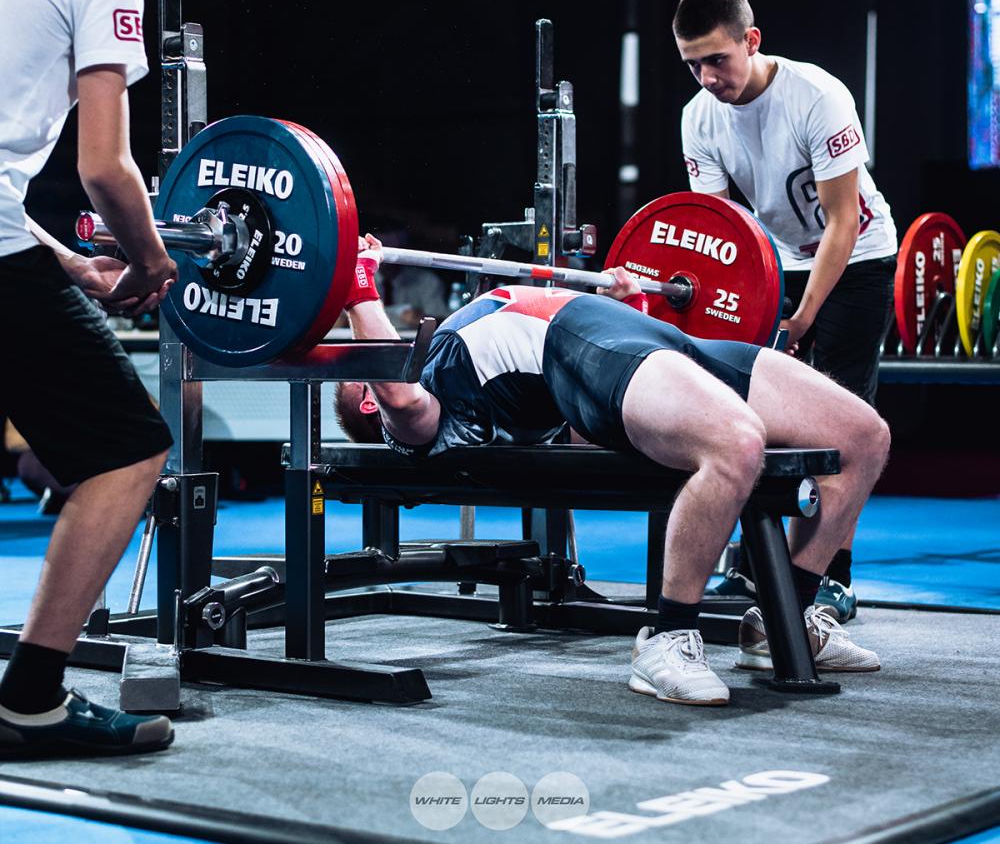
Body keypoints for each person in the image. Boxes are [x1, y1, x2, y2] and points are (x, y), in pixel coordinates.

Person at [335, 235, 890, 707]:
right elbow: (401, 398)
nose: (380, 358)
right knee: (736, 443)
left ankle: (783, 619)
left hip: (632, 338)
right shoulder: (423, 403)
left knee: (863, 437)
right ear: (368, 404)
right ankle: (667, 637)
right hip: (580, 343)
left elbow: (592, 422)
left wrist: (635, 310)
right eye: (360, 375)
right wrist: (356, 281)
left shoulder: (488, 398)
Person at [0, 0, 186, 757]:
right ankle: (31, 697)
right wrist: (149, 262)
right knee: (127, 448)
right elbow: (108, 167)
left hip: (8, 237)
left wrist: (68, 261)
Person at [674, 0, 898, 621]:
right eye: (692, 64)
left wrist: (801, 318)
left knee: (841, 428)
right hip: (777, 267)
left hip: (857, 260)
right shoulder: (698, 116)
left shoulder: (819, 96)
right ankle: (756, 569)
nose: (707, 77)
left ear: (752, 40)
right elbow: (716, 232)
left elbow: (842, 225)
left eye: (718, 59)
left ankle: (833, 579)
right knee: (755, 420)